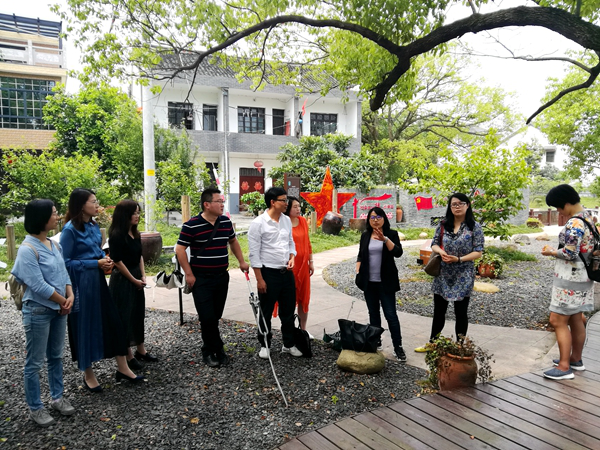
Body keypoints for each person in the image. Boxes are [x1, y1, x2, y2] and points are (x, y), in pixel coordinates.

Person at [60, 188, 144, 392]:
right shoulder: (70, 230)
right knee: (84, 327)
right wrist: (94, 263)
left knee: (114, 323)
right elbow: (65, 263)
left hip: (98, 281)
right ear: (81, 206)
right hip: (81, 285)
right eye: (93, 202)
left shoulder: (94, 225)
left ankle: (123, 368)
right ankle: (88, 374)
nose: (97, 205)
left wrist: (104, 260)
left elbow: (97, 251)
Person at [11, 200, 75, 427]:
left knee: (56, 357)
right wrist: (63, 301)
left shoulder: (54, 245)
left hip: (59, 309)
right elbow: (37, 285)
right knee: (35, 362)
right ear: (41, 218)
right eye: (54, 213)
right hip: (38, 310)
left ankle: (57, 398)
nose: (57, 217)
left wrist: (70, 295)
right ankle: (35, 407)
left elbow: (63, 273)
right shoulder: (27, 249)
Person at [176, 187, 249, 368]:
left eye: (222, 201)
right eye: (219, 201)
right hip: (201, 279)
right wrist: (189, 274)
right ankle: (212, 350)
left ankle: (213, 347)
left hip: (221, 277)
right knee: (207, 317)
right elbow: (180, 249)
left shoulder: (225, 222)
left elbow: (233, 241)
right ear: (207, 204)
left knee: (215, 315)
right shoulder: (191, 225)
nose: (222, 204)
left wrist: (241, 261)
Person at [414, 193, 484, 352]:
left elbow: (478, 252)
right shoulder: (443, 224)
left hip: (464, 274)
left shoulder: (474, 227)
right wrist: (441, 252)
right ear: (450, 207)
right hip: (443, 273)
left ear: (467, 205)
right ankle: (432, 343)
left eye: (460, 203)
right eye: (454, 204)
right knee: (439, 311)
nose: (457, 207)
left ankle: (460, 346)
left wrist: (458, 259)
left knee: (461, 312)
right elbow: (434, 244)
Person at [541, 184, 594, 380]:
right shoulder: (588, 217)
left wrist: (551, 252)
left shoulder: (575, 223)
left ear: (565, 203)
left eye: (558, 207)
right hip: (584, 277)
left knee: (557, 319)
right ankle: (575, 359)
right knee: (576, 317)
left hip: (570, 280)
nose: (558, 211)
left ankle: (564, 367)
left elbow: (570, 253)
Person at [248, 187, 302, 359]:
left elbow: (290, 242)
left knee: (288, 311)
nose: (286, 203)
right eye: (283, 200)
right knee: (266, 311)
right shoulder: (258, 223)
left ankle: (288, 343)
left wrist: (292, 256)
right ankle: (265, 344)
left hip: (286, 272)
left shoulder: (286, 220)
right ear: (272, 202)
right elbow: (254, 253)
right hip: (268, 273)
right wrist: (259, 279)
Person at [108, 200, 157, 371]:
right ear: (125, 215)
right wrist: (133, 280)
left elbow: (139, 256)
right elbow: (117, 262)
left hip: (136, 274)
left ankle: (141, 349)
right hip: (123, 279)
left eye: (138, 212)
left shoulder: (135, 233)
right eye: (134, 213)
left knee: (137, 313)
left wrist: (143, 275)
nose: (137, 216)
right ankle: (128, 355)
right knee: (124, 316)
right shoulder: (116, 235)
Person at [355, 207, 406, 361]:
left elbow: (398, 253)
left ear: (384, 218)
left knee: (391, 315)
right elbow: (360, 254)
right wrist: (358, 270)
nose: (375, 220)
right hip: (369, 282)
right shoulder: (365, 235)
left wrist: (384, 239)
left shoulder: (392, 234)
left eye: (378, 217)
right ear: (368, 220)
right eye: (372, 217)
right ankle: (375, 341)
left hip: (386, 282)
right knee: (373, 314)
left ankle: (398, 347)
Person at [274, 196, 314, 335]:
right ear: (288, 208)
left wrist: (311, 262)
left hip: (303, 267)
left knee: (304, 298)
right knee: (289, 300)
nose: (298, 209)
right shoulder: (283, 223)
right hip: (290, 267)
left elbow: (307, 242)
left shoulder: (302, 221)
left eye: (299, 206)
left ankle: (303, 330)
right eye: (295, 207)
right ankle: (289, 331)